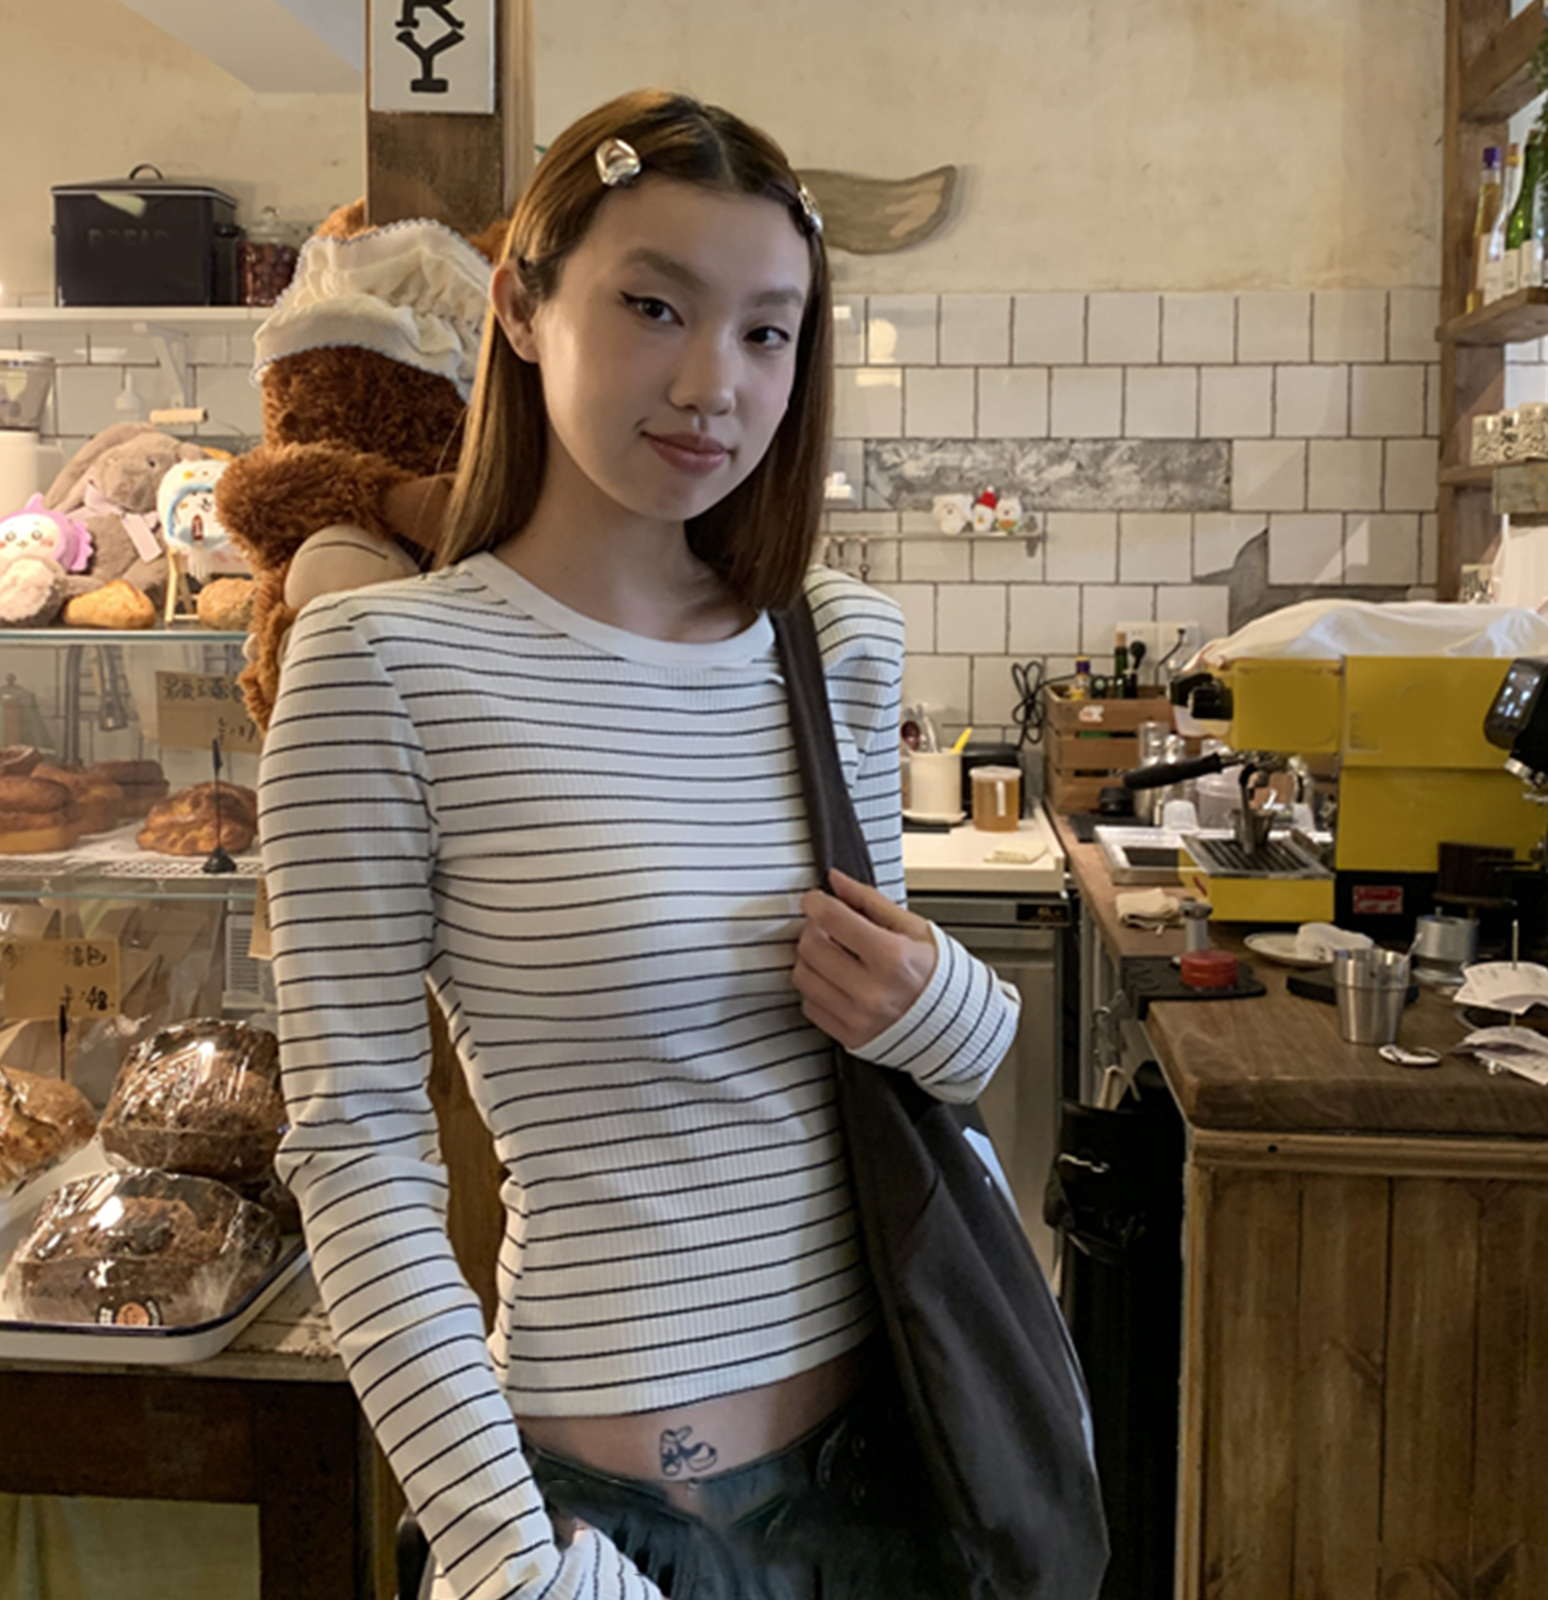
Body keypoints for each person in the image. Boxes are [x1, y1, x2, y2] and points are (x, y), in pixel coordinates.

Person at [258, 88, 1022, 1600]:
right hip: (616, 1522)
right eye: (654, 306)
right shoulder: (381, 665)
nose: (710, 383)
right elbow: (355, 1152)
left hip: (902, 1478)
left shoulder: (838, 642)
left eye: (767, 331)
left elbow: (911, 1063)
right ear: (522, 307)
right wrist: (513, 1559)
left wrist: (948, 1001)